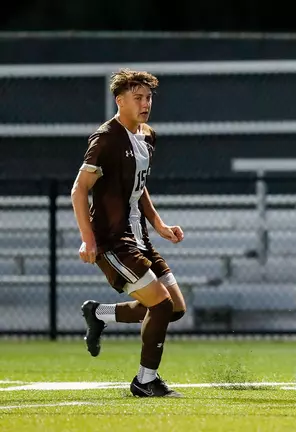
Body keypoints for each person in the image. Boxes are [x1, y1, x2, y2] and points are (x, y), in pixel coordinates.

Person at [71, 68, 188, 397]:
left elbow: (139, 184)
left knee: (175, 308)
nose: (145, 103)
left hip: (140, 237)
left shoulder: (147, 135)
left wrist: (159, 225)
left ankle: (98, 313)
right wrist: (87, 237)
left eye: (148, 97)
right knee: (161, 306)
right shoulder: (106, 138)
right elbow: (79, 190)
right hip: (112, 240)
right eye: (138, 98)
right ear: (119, 100)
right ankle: (145, 381)